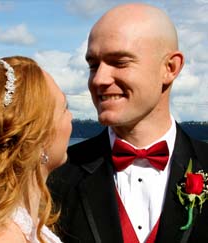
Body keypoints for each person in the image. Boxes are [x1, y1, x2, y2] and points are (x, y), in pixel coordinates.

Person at [48, 3, 208, 243]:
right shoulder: (56, 178)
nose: (99, 79)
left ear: (170, 68)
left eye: (120, 62)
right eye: (93, 65)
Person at [0, 56, 72, 243]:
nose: (70, 117)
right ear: (40, 137)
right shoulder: (5, 237)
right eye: (64, 109)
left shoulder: (17, 224)